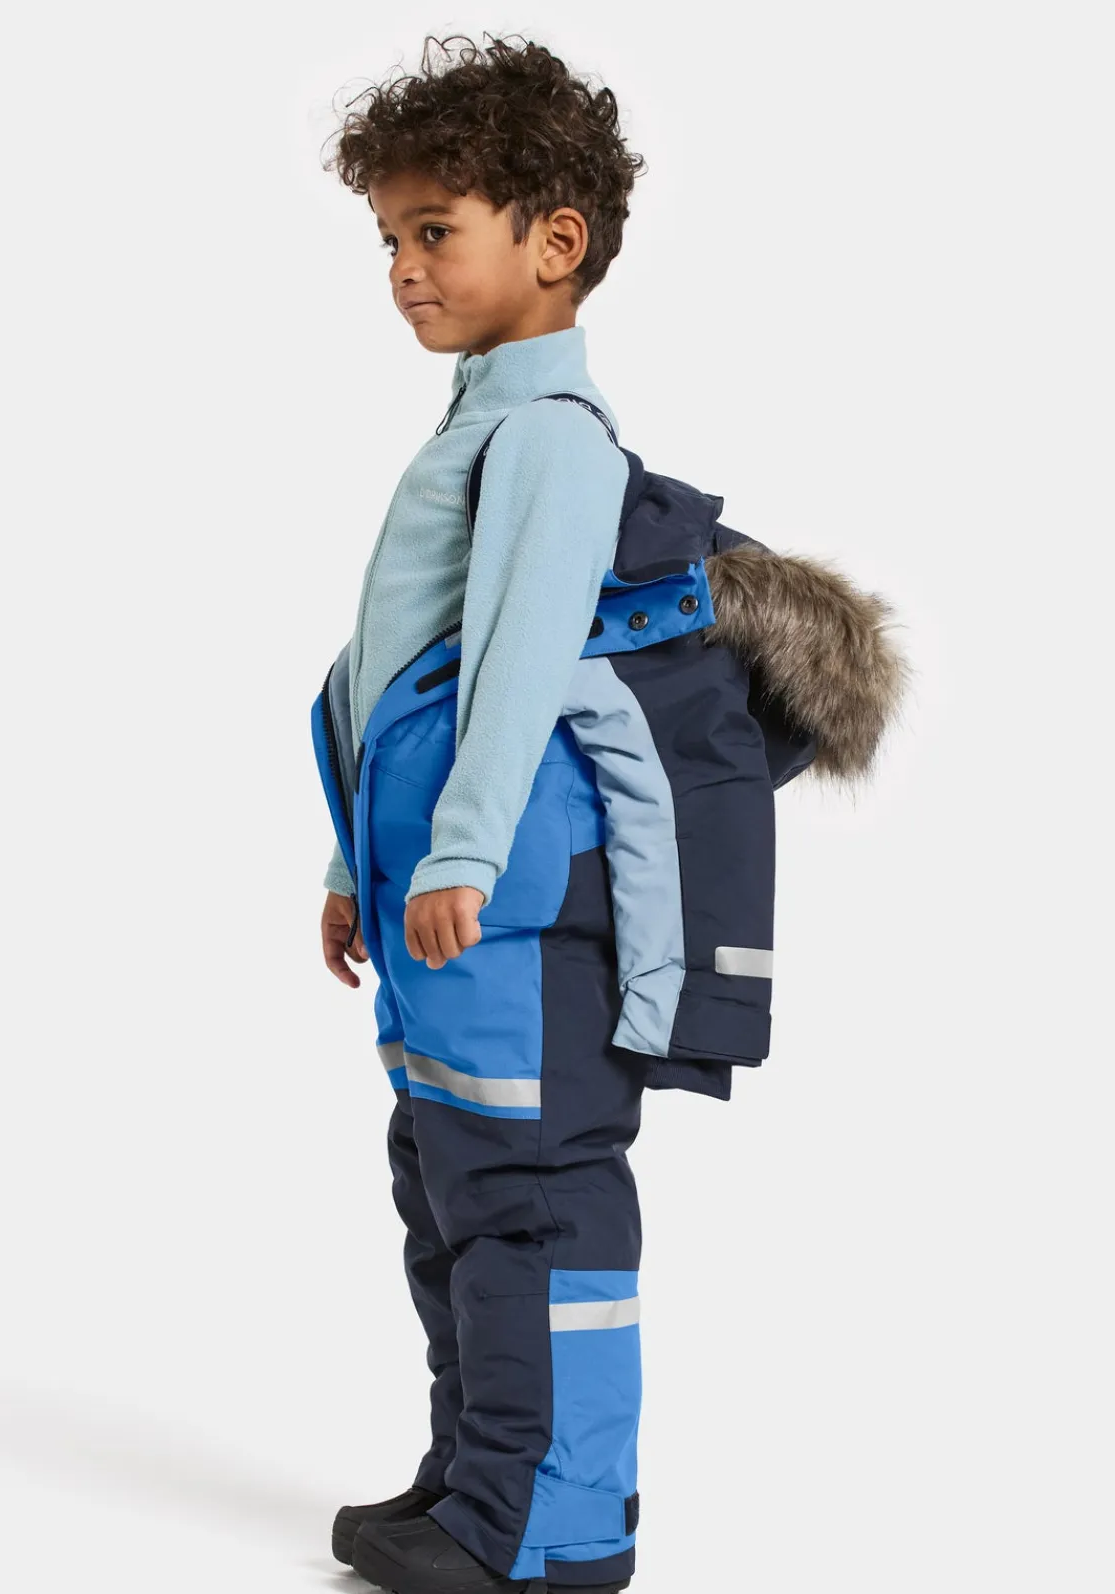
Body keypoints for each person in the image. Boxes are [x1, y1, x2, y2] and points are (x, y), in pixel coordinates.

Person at [311, 31, 908, 1594]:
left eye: (434, 229)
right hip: (448, 905)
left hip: (512, 901)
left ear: (554, 240)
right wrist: (350, 865)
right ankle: (476, 1478)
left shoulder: (550, 440)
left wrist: (455, 850)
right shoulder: (478, 428)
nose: (403, 267)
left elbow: (516, 667)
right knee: (450, 1183)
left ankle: (552, 1528)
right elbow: (398, 675)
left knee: (531, 1191)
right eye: (389, 237)